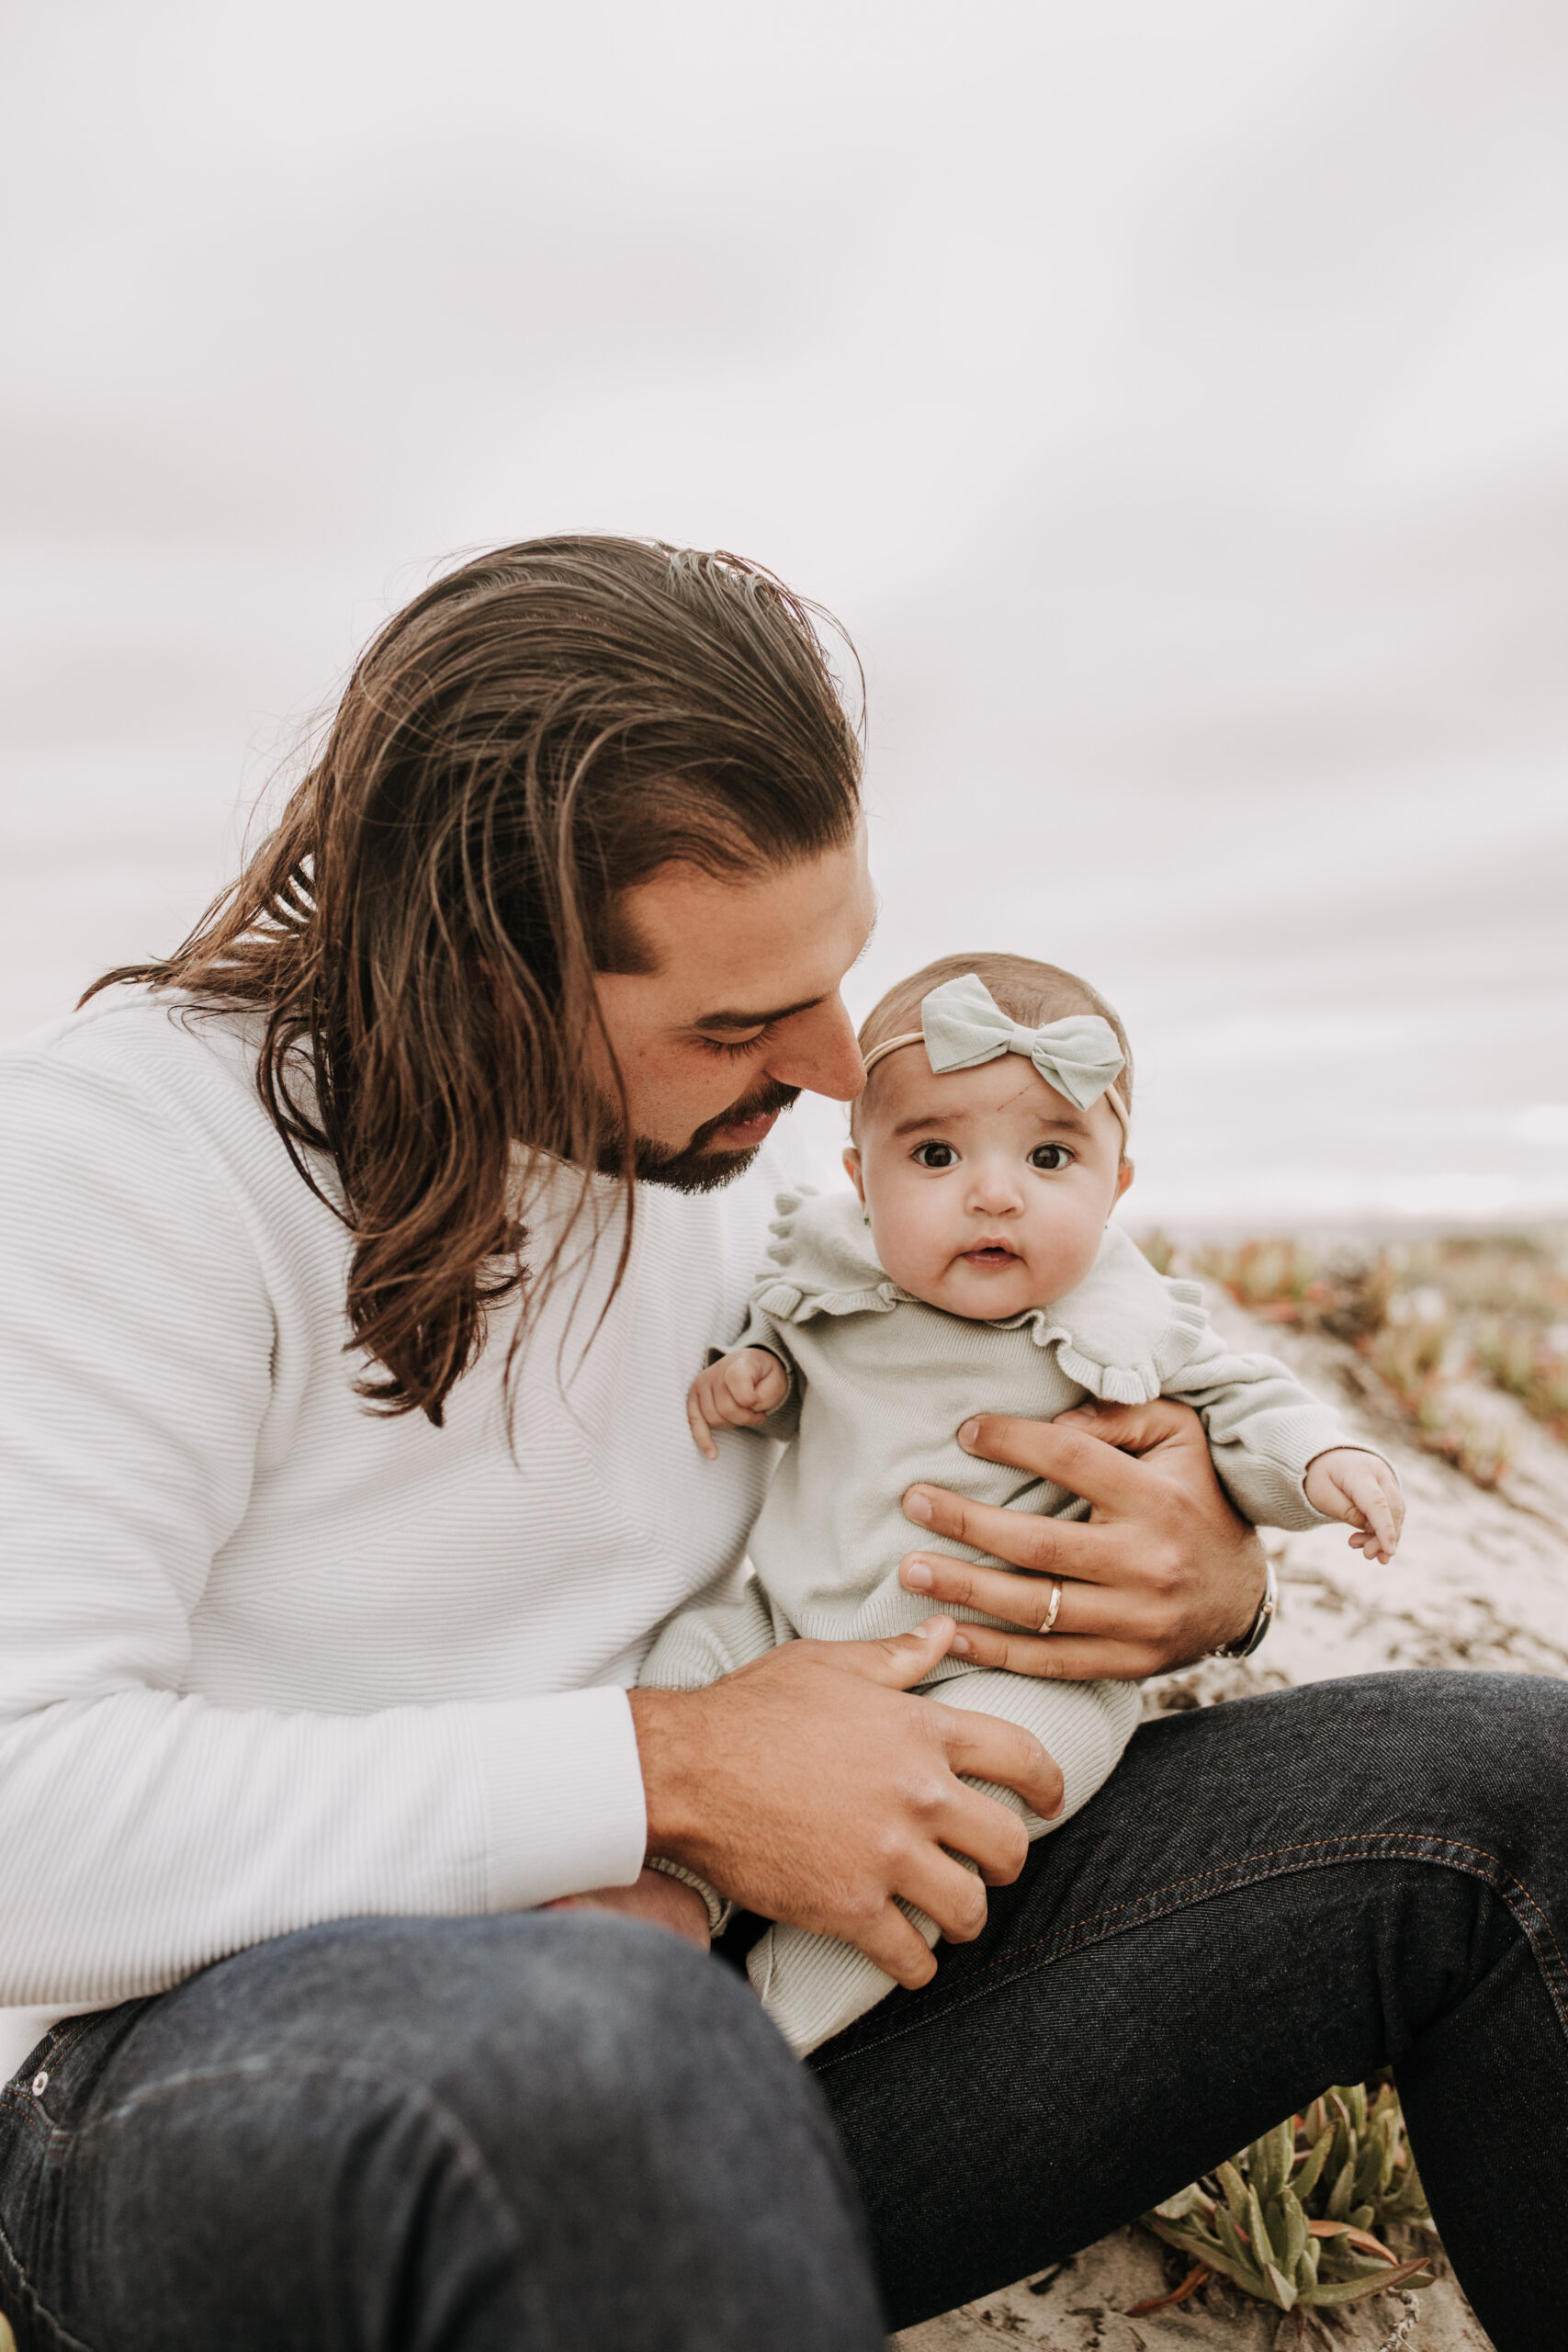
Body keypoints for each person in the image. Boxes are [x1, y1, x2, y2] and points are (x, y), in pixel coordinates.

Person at [0, 537, 1562, 2352]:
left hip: (773, 1990)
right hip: (212, 2084)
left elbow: (1046, 1421)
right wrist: (671, 1769)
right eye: (735, 1021)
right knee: (608, 2052)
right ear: (482, 979)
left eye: (838, 974)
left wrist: (1205, 1572)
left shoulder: (747, 1187)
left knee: (1520, 1794)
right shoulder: (125, 1157)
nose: (835, 1068)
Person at [645, 955, 1403, 2053]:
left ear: (1117, 1187)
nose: (994, 1192)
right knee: (691, 1653)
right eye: (937, 1153)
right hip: (793, 1625)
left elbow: (1242, 1403)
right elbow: (781, 1351)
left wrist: (1323, 1461)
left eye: (1051, 1155)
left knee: (994, 1792)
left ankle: (781, 2013)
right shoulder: (834, 1275)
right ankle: (671, 1900)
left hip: (1005, 1661)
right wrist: (754, 1378)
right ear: (862, 1178)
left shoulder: (1122, 1317)